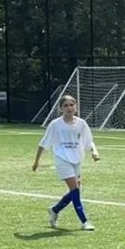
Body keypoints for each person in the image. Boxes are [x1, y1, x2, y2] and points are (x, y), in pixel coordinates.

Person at [32, 95, 100, 231]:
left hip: (77, 160)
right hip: (62, 159)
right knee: (75, 189)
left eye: (71, 105)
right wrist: (36, 161)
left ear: (76, 107)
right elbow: (44, 143)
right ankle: (84, 221)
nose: (69, 108)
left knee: (75, 190)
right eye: (66, 105)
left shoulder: (81, 123)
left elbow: (89, 141)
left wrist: (94, 151)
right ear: (61, 108)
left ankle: (55, 210)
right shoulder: (55, 124)